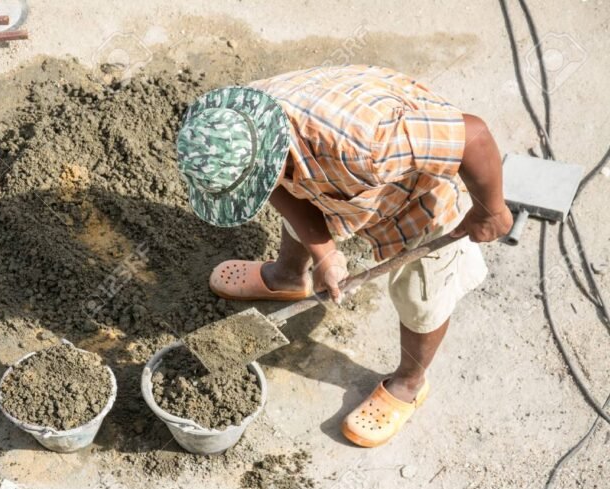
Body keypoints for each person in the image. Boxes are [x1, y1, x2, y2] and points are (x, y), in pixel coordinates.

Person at [174, 65, 513, 447]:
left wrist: (491, 209)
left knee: (422, 293)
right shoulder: (237, 120)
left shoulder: (368, 145)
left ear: (271, 154)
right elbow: (279, 186)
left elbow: (473, 134)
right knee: (305, 201)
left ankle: (410, 382)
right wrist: (325, 255)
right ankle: (290, 277)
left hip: (423, 185)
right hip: (333, 170)